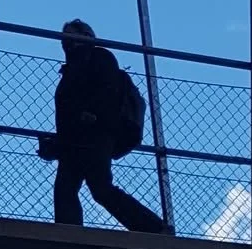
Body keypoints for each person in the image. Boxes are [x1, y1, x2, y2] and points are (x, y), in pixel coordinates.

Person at [41, 19, 166, 233]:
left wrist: (93, 115)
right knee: (66, 189)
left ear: (87, 36)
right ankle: (69, 234)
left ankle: (153, 227)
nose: (67, 43)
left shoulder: (99, 57)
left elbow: (108, 93)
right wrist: (57, 144)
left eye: (72, 36)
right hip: (75, 138)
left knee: (98, 188)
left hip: (96, 135)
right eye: (65, 38)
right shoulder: (71, 70)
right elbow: (68, 113)